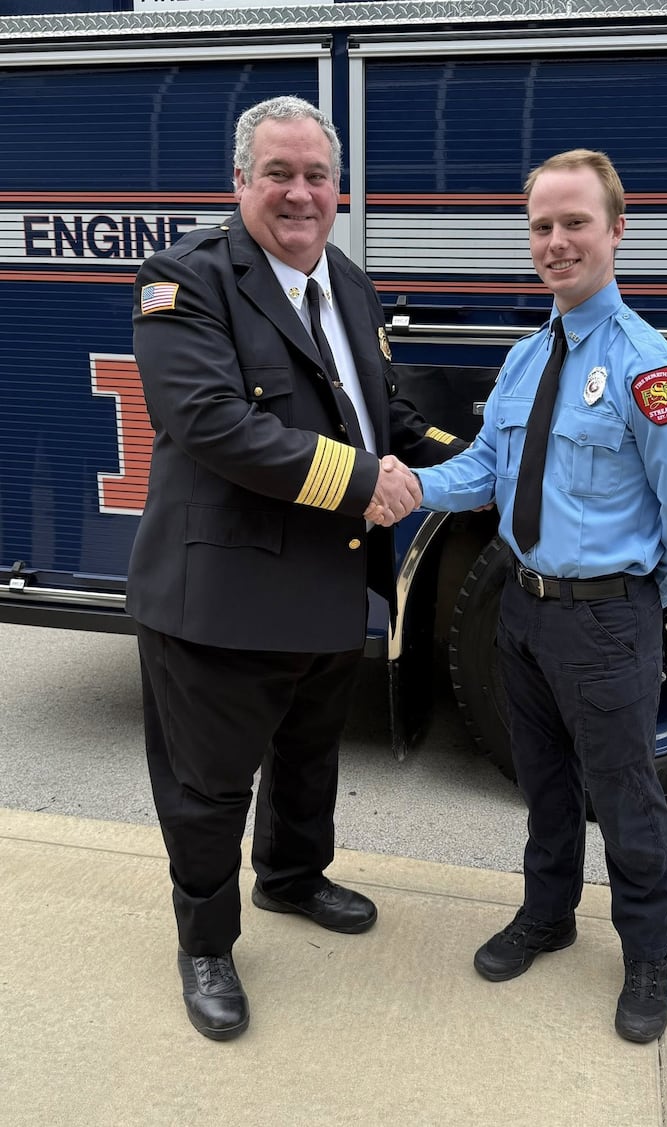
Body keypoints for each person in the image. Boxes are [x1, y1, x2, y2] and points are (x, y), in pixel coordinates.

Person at [127, 96, 463, 1041]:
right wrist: (367, 483)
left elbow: (380, 414)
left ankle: (291, 875)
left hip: (323, 585)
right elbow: (214, 425)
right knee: (209, 786)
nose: (300, 192)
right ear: (240, 182)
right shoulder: (184, 281)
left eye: (316, 175)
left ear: (338, 187)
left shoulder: (347, 283)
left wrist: (477, 464)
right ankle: (205, 943)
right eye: (278, 173)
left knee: (311, 757)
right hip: (220, 600)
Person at [413, 149, 667, 1043]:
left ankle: (647, 957)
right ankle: (547, 917)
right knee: (543, 784)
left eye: (575, 223)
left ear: (617, 231)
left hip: (602, 618)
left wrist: (628, 598)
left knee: (625, 794)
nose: (556, 242)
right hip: (522, 610)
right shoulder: (525, 356)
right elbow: (485, 468)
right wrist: (407, 484)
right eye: (542, 226)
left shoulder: (649, 370)